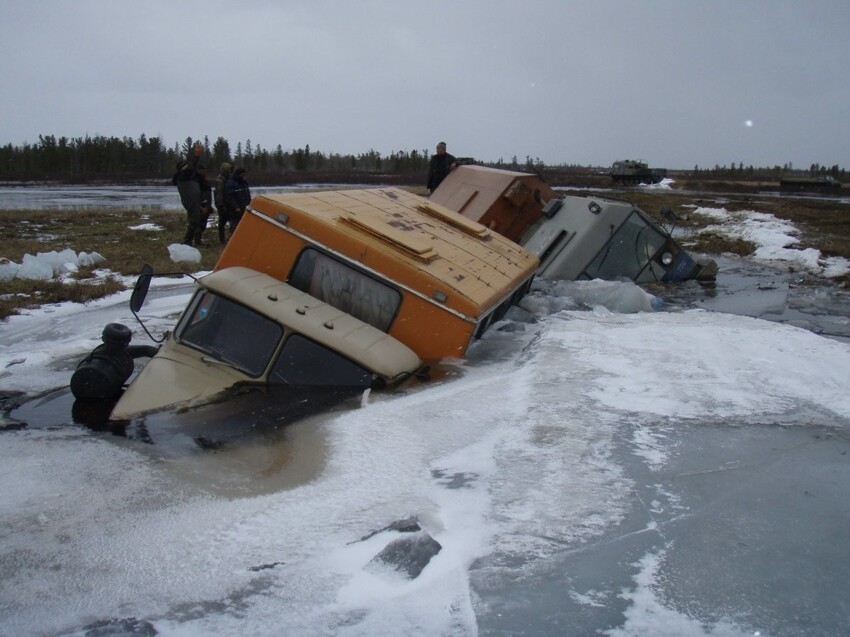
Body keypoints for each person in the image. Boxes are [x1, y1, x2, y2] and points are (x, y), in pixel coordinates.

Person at [172, 144, 204, 246]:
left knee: (196, 221)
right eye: (185, 167)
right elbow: (191, 168)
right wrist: (196, 157)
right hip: (190, 202)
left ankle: (191, 241)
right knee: (194, 221)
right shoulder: (182, 176)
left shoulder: (187, 177)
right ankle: (187, 241)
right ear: (182, 169)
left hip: (193, 201)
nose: (187, 169)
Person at [214, 162, 233, 244]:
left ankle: (227, 238)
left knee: (228, 221)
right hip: (223, 205)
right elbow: (219, 194)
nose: (230, 172)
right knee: (222, 222)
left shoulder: (227, 179)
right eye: (229, 170)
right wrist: (220, 205)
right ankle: (222, 240)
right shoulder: (220, 181)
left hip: (228, 203)